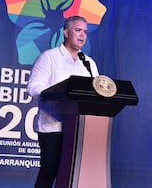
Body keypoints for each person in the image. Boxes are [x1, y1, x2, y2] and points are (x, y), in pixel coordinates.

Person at [27, 16, 99, 188]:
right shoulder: (49, 58)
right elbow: (33, 87)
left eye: (85, 32)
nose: (82, 35)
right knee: (49, 173)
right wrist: (56, 95)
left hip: (79, 130)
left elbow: (97, 91)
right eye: (78, 30)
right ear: (66, 32)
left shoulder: (89, 64)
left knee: (72, 176)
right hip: (53, 128)